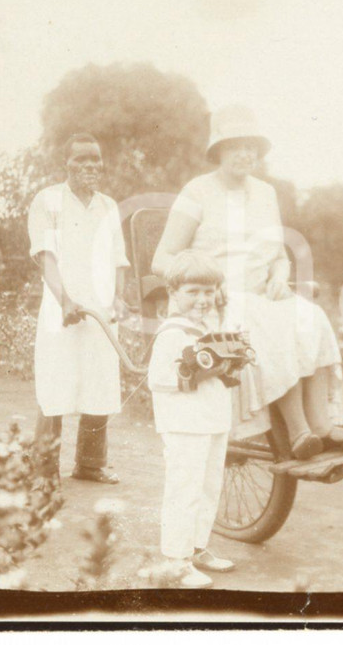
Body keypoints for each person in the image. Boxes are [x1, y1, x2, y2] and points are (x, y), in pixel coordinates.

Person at [152, 105, 343, 460]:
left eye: (251, 146)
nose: (245, 153)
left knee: (309, 316)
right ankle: (299, 432)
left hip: (260, 296)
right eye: (235, 145)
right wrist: (204, 284)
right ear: (218, 151)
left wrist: (280, 274)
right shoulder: (197, 192)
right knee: (260, 321)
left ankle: (323, 427)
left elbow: (277, 254)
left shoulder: (266, 194)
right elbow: (162, 258)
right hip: (214, 302)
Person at [28, 133, 130, 484]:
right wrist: (64, 300)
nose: (89, 166)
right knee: (54, 383)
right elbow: (45, 255)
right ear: (66, 164)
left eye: (95, 159)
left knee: (100, 382)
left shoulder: (108, 206)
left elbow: (119, 259)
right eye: (81, 160)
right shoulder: (49, 200)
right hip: (63, 309)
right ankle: (43, 471)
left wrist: (118, 297)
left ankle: (89, 464)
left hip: (101, 311)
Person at [147, 251, 239, 589]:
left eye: (209, 291)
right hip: (185, 423)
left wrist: (228, 364)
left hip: (212, 419)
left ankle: (197, 548)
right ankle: (175, 559)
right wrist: (200, 374)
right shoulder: (173, 332)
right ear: (173, 293)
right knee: (184, 488)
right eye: (193, 292)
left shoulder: (208, 326)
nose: (203, 299)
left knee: (209, 486)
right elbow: (157, 379)